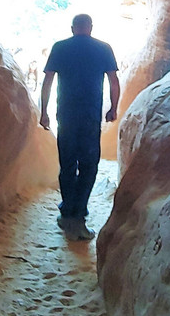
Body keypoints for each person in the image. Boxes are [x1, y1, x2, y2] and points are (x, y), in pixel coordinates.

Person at [40, 13, 120, 241]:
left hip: (65, 114)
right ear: (91, 27)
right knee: (88, 165)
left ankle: (67, 212)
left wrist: (43, 111)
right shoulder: (103, 48)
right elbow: (113, 81)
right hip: (90, 115)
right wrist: (113, 108)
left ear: (73, 28)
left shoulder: (60, 47)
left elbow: (48, 81)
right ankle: (79, 215)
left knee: (67, 164)